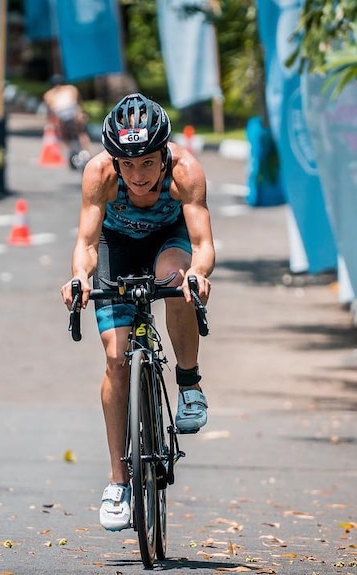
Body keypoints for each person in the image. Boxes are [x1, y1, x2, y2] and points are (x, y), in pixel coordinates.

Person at [60, 93, 215, 531]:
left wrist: (198, 273)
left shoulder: (185, 172)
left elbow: (202, 244)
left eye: (147, 162)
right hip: (117, 247)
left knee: (175, 281)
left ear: (164, 154)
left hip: (170, 238)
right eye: (127, 164)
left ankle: (188, 383)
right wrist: (79, 278)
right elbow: (87, 244)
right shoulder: (99, 173)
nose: (137, 174)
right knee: (115, 358)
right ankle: (118, 482)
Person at [42, 74, 91, 158]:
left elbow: (51, 112)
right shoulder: (71, 89)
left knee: (64, 134)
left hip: (62, 116)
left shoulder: (48, 94)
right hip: (73, 114)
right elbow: (78, 104)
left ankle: (71, 151)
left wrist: (51, 123)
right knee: (81, 133)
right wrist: (82, 113)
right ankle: (87, 152)